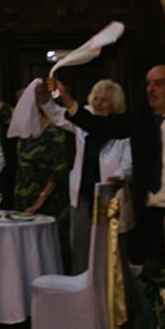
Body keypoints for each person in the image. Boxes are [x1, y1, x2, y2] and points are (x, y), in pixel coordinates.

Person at [48, 62, 165, 261]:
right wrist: (65, 99)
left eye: (158, 84)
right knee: (150, 277)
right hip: (147, 218)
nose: (151, 89)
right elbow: (98, 125)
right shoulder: (140, 118)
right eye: (148, 84)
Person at [41, 79, 132, 270]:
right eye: (96, 99)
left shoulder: (122, 126)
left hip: (109, 196)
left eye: (104, 100)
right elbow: (57, 116)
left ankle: (108, 295)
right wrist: (44, 98)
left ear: (114, 103)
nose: (98, 103)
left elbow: (129, 162)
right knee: (81, 246)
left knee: (110, 249)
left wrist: (120, 176)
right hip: (83, 194)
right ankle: (81, 291)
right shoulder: (84, 121)